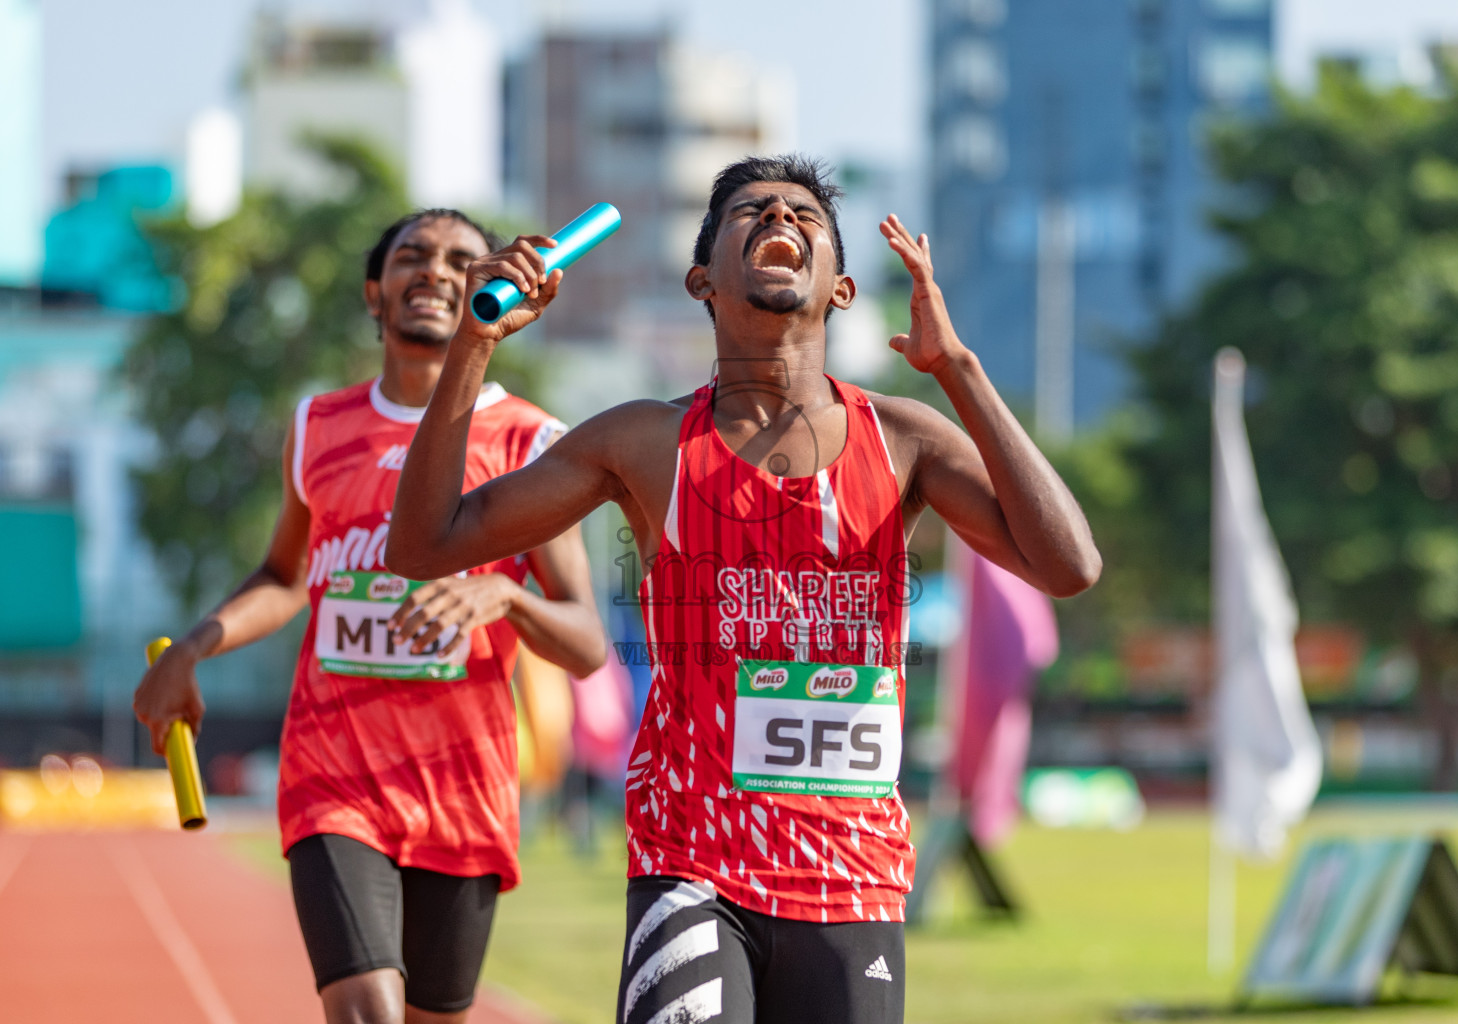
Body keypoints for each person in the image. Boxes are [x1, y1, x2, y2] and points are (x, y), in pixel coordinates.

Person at [387, 157, 1101, 1024]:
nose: (781, 219)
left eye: (806, 215)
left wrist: (956, 367)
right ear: (702, 283)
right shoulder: (642, 442)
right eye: (751, 212)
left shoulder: (906, 438)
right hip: (692, 866)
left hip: (852, 874)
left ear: (839, 287)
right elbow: (424, 545)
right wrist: (475, 342)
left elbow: (1068, 568)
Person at [134, 209, 608, 1024]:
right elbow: (285, 577)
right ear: (373, 293)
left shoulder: (530, 439)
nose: (434, 271)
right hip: (334, 774)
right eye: (411, 257)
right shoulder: (318, 425)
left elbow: (587, 642)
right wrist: (193, 650)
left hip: (465, 786)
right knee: (365, 1012)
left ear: (491, 286)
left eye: (462, 259)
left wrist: (505, 594)